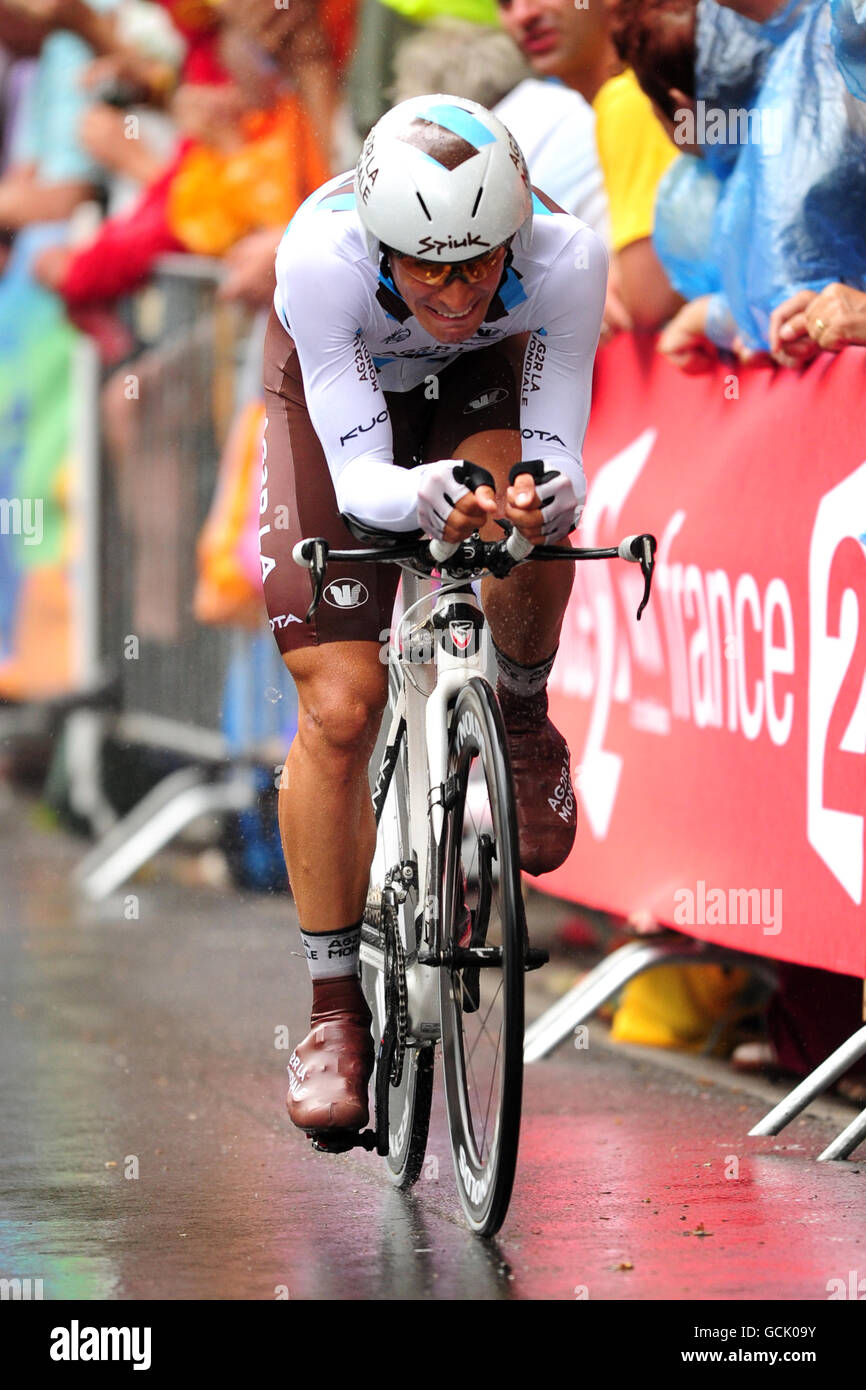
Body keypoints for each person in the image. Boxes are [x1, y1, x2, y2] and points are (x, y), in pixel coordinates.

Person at [262, 94, 606, 1135]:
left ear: (515, 238)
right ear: (378, 245)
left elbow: (559, 444)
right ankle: (333, 1014)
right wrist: (415, 493)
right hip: (343, 407)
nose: (455, 292)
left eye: (478, 264)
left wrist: (545, 494)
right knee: (338, 703)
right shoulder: (320, 262)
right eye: (425, 266)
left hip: (473, 393)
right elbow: (362, 472)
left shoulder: (564, 259)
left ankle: (520, 710)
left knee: (521, 519)